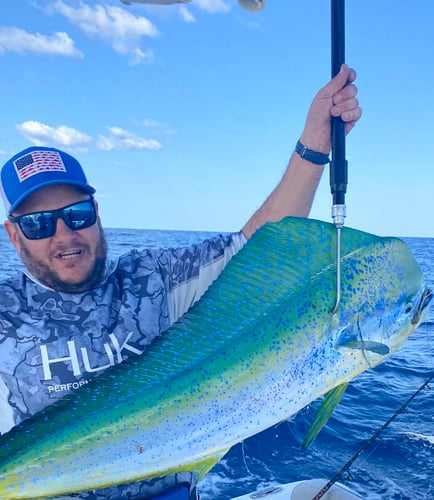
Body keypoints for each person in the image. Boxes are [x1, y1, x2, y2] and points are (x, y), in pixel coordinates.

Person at [0, 64, 361, 500]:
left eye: (77, 215)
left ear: (97, 212)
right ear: (13, 234)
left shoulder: (151, 280)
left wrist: (315, 146)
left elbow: (253, 247)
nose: (65, 236)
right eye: (39, 224)